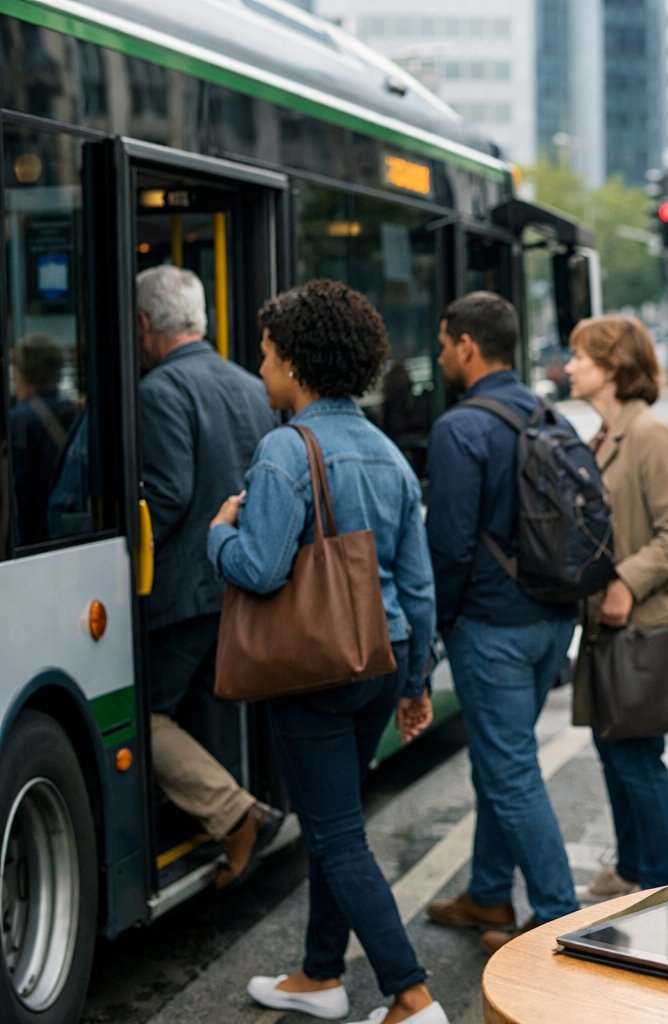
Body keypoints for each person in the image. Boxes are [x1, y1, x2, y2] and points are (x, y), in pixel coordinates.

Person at [209, 280, 442, 1024]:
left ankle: (411, 996)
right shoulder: (387, 452)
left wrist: (219, 532)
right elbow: (418, 582)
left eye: (269, 354)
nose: (262, 367)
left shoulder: (285, 449)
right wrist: (414, 683)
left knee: (337, 834)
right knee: (333, 819)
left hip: (313, 667)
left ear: (299, 364)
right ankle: (319, 976)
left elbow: (262, 567)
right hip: (380, 658)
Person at [423, 291, 580, 953]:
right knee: (502, 756)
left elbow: (450, 545)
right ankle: (489, 895)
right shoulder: (551, 415)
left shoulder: (459, 428)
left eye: (442, 343)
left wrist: (440, 623)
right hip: (554, 618)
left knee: (509, 768)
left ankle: (557, 915)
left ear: (465, 345)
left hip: (492, 627)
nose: (438, 356)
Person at [134, 266, 283, 889]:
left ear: (145, 325)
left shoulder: (158, 390)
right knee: (216, 709)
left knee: (142, 717)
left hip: (182, 591)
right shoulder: (251, 386)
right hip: (238, 585)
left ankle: (234, 814)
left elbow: (165, 498)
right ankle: (232, 819)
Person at [563, 315, 668, 901]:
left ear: (613, 367)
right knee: (612, 743)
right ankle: (630, 867)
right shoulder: (604, 435)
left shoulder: (649, 435)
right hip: (610, 627)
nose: (568, 366)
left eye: (579, 357)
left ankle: (666, 885)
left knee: (637, 755)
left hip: (643, 624)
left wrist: (624, 583)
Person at [8, 331, 78, 544]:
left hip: (32, 534)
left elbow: (17, 487)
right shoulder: (73, 410)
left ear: (22, 372)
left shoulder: (19, 418)